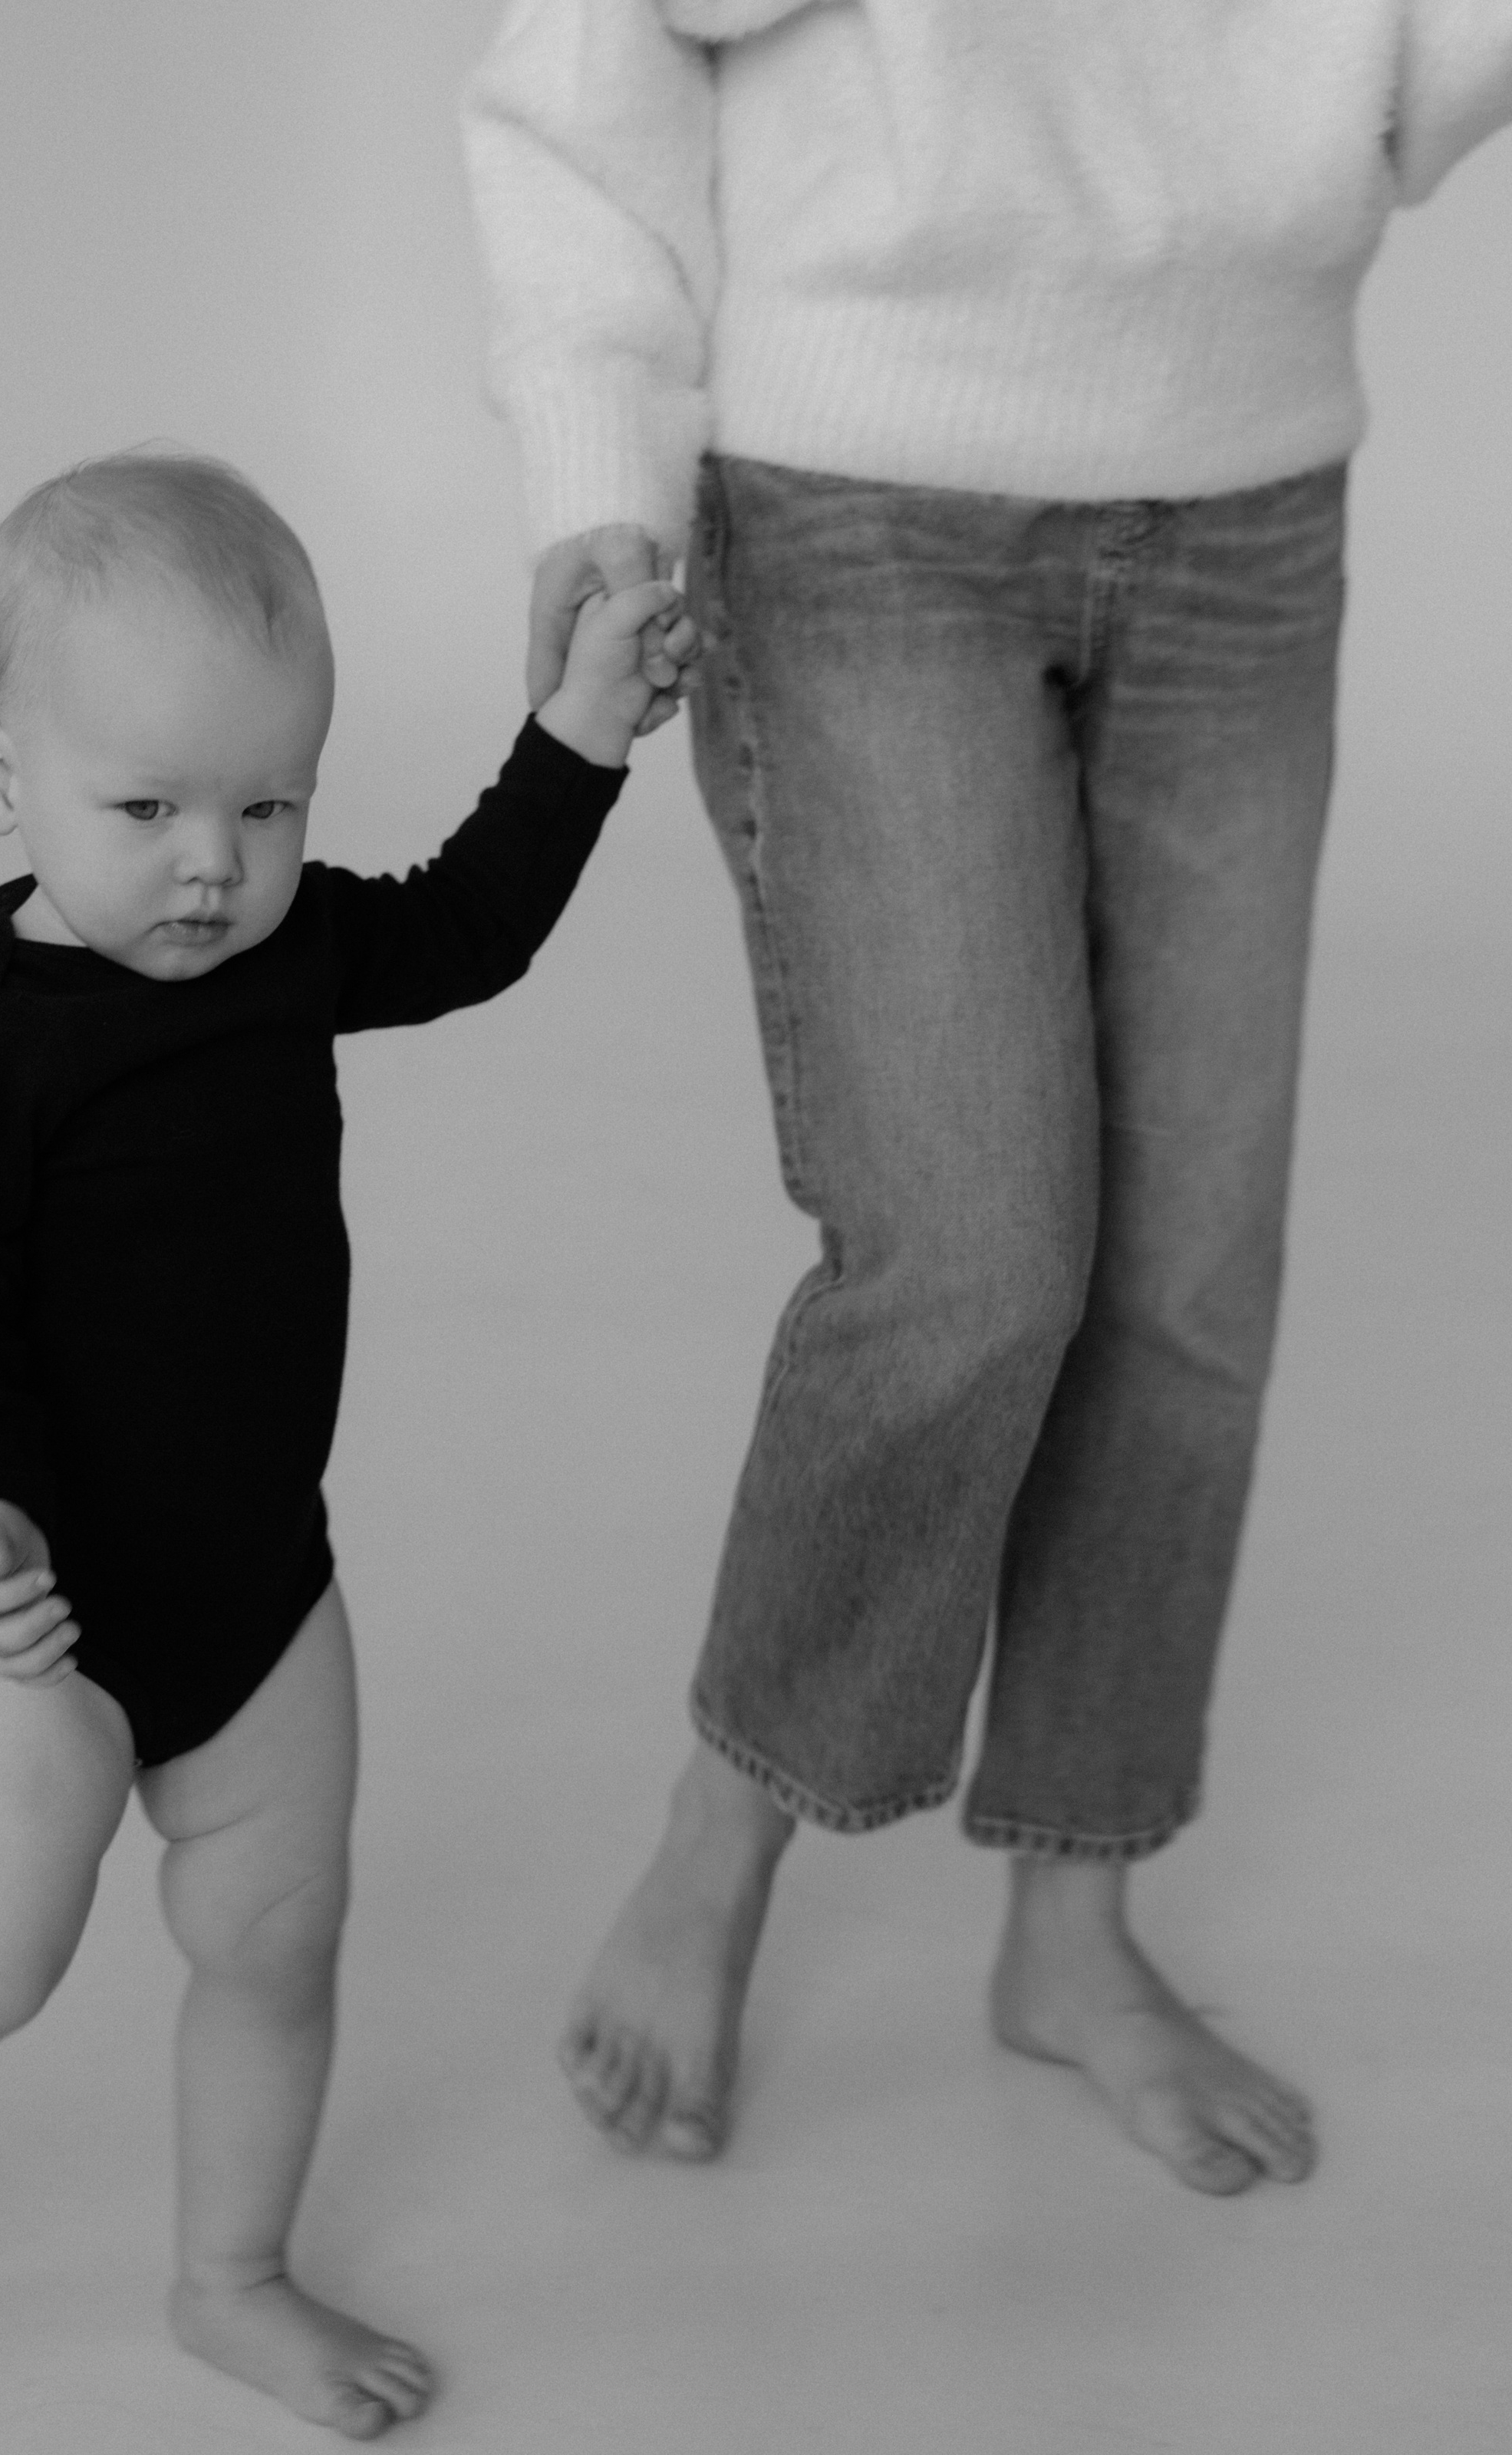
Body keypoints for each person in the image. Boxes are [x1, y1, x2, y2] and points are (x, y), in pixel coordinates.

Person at [464, 0, 1512, 2193]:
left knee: (1189, 1273)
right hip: (863, 504)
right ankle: (728, 1820)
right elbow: (595, 57)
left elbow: (1405, 78)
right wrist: (600, 467)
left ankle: (1074, 1911)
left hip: (1249, 493)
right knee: (973, 1254)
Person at [0, 449, 694, 2436]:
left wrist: (577, 738)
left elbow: (469, 928)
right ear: (5, 783)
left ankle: (231, 2273)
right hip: (34, 1610)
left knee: (276, 1942)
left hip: (259, 1591)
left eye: (271, 806)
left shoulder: (284, 949)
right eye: (149, 807)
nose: (213, 864)